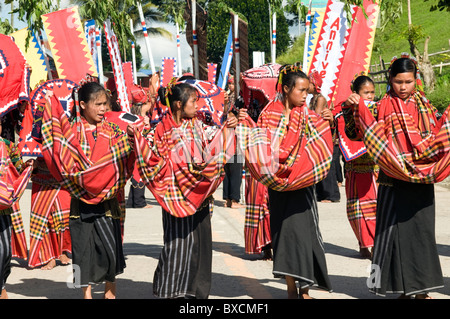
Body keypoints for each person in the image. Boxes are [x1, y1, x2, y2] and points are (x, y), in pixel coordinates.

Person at [343, 54, 450, 298]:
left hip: (421, 182)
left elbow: (436, 138)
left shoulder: (426, 107)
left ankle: (421, 289)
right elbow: (356, 134)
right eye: (398, 82)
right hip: (392, 181)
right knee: (390, 237)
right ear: (390, 80)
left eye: (408, 82)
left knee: (420, 237)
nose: (403, 87)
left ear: (416, 80)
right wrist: (353, 109)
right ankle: (399, 288)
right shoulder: (379, 106)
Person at [128, 79, 244, 299]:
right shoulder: (160, 130)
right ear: (179, 104)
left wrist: (228, 128)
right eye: (193, 101)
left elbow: (215, 140)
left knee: (200, 247)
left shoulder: (198, 124)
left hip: (199, 196)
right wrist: (134, 135)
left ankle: (197, 295)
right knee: (177, 246)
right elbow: (150, 157)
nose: (197, 106)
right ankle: (170, 291)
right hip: (174, 198)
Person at [238, 65, 334, 299]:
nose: (305, 95)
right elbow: (262, 144)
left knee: (306, 236)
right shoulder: (270, 114)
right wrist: (245, 125)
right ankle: (292, 288)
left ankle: (305, 289)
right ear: (286, 88)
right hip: (279, 187)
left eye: (307, 91)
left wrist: (326, 123)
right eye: (301, 90)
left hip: (303, 186)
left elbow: (318, 146)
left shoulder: (309, 115)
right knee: (286, 237)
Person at [41, 79, 135, 299]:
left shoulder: (113, 130)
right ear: (82, 105)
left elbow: (125, 157)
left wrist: (134, 140)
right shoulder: (71, 132)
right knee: (83, 252)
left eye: (105, 104)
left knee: (111, 249)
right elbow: (61, 157)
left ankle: (110, 292)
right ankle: (87, 294)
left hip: (109, 199)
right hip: (81, 201)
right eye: (98, 104)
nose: (103, 109)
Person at [335, 74, 379, 259]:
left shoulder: (377, 109)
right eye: (365, 93)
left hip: (374, 169)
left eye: (372, 93)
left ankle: (375, 244)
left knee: (375, 208)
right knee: (356, 209)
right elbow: (344, 130)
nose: (370, 96)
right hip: (354, 168)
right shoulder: (345, 109)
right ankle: (363, 244)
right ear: (356, 93)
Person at [0, 127, 34, 299]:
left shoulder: (8, 146)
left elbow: (17, 166)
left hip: (2, 208)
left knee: (5, 251)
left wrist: (26, 167)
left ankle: (1, 282)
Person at [308, 71, 340, 203]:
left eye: (308, 84)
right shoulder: (312, 99)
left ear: (313, 84)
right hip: (318, 135)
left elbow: (316, 116)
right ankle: (322, 194)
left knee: (328, 166)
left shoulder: (320, 99)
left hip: (325, 135)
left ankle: (331, 195)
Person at [126, 85, 155, 209]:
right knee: (139, 174)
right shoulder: (141, 120)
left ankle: (132, 201)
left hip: (133, 150)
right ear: (144, 105)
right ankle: (139, 202)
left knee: (135, 173)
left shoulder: (132, 117)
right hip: (140, 150)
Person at [222, 74, 244, 209]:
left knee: (229, 170)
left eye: (232, 84)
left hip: (227, 139)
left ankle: (229, 199)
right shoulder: (237, 100)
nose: (231, 86)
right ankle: (233, 200)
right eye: (229, 84)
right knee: (233, 170)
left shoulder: (234, 99)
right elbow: (229, 114)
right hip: (232, 138)